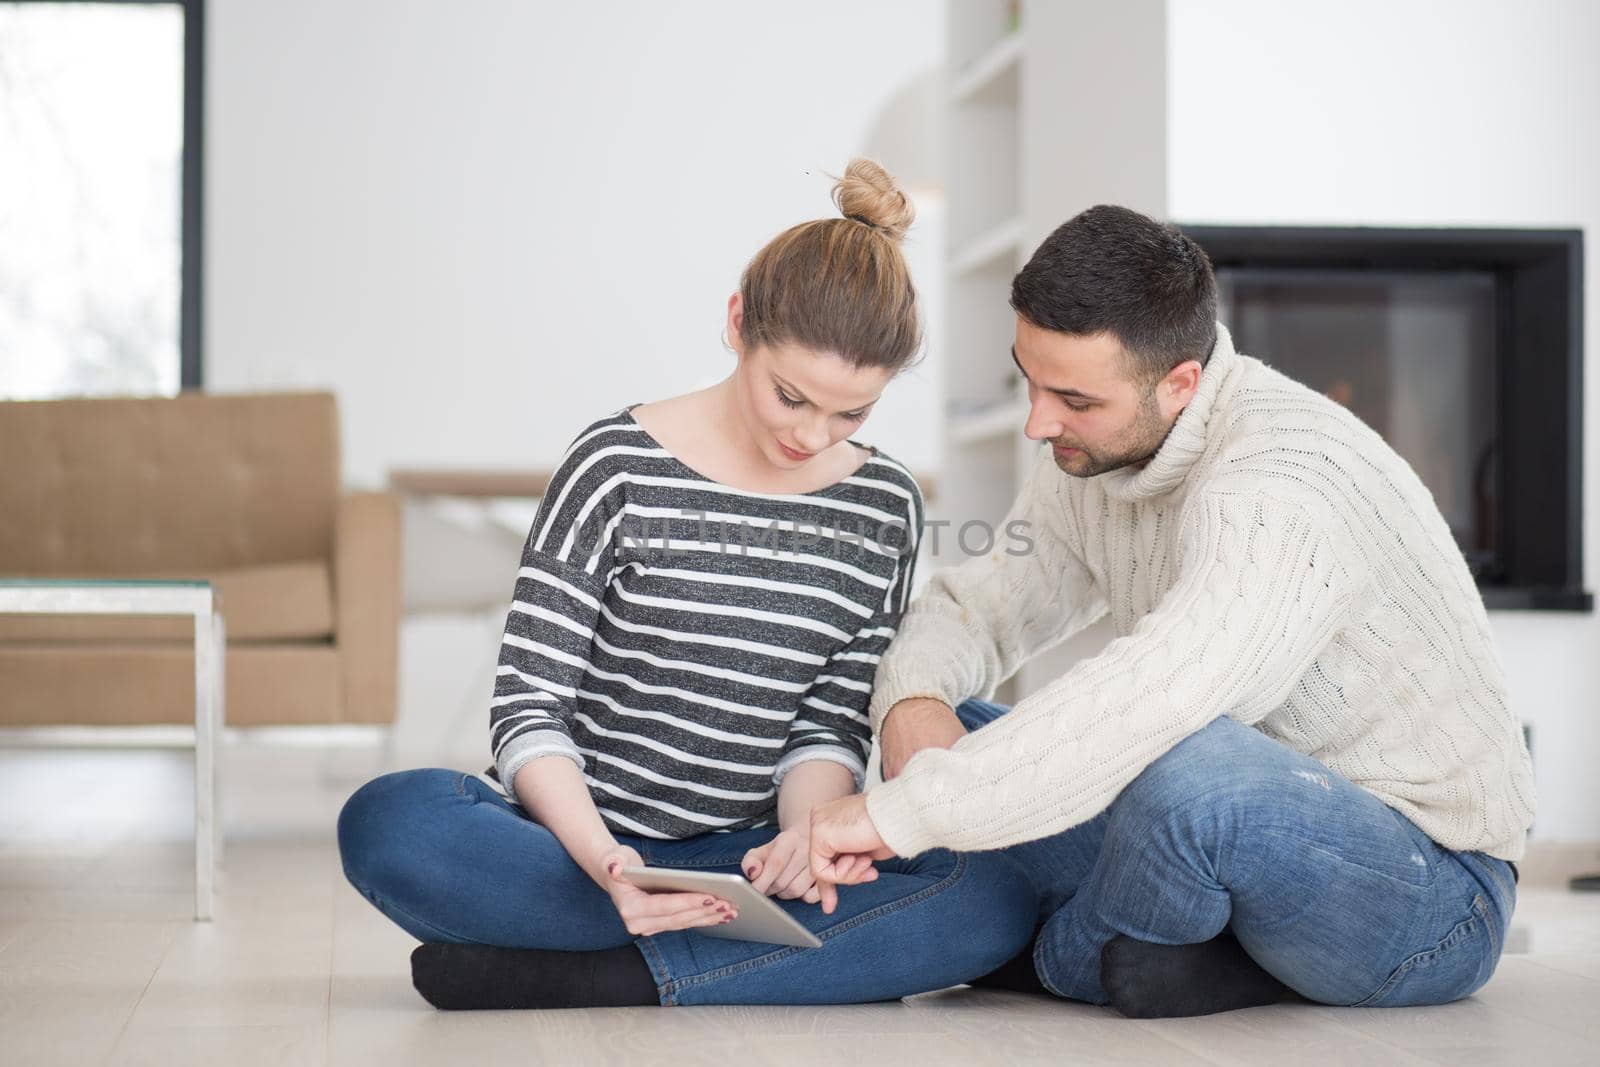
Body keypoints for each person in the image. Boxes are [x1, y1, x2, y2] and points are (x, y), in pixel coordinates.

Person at [337, 160, 1036, 1010]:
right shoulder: (614, 465)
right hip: (577, 850)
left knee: (991, 897)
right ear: (739, 322)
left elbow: (824, 720)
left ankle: (606, 972)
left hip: (745, 861)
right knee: (392, 821)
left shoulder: (883, 504)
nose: (812, 434)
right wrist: (611, 863)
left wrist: (804, 842)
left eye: (850, 413)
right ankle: (739, 957)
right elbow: (527, 710)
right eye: (789, 396)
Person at [807, 204, 1532, 1019]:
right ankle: (1173, 950)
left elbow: (1159, 694)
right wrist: (914, 701)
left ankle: (1046, 957)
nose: (1039, 423)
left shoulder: (1279, 484)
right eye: (1029, 380)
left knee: (1190, 779)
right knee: (970, 730)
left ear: (1179, 383)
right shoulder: (1092, 453)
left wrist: (900, 813)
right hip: (1207, 811)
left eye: (1073, 398)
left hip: (1434, 886)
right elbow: (982, 605)